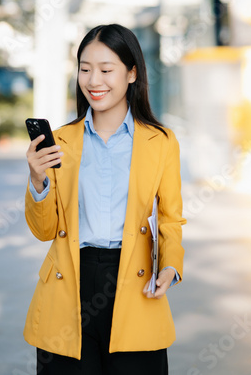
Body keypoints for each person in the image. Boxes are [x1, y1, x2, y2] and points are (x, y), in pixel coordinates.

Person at [24, 24, 186, 375]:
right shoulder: (61, 142)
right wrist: (38, 180)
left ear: (132, 73)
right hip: (69, 284)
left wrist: (171, 266)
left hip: (135, 282)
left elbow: (171, 217)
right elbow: (44, 230)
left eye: (106, 70)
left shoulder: (161, 141)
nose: (93, 80)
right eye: (85, 69)